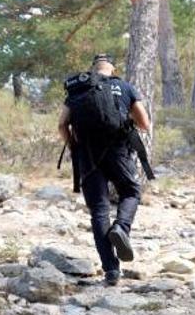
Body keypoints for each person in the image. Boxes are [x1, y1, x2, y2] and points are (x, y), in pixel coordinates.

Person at [58, 54, 151, 286]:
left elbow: (62, 124)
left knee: (99, 211)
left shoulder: (78, 90)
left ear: (93, 69)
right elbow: (144, 124)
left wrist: (74, 146)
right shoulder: (124, 86)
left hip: (87, 155)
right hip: (118, 150)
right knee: (130, 192)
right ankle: (121, 227)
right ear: (112, 68)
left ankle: (111, 271)